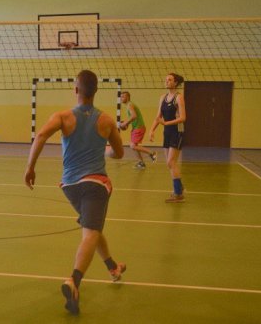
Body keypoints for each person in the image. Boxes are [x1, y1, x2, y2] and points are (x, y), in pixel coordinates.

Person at [24, 70, 125, 315]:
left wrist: (30, 167)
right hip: (95, 184)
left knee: (93, 227)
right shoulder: (107, 120)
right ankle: (73, 280)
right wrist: (105, 152)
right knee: (91, 231)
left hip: (69, 186)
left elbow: (40, 135)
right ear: (96, 91)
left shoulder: (63, 116)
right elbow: (119, 153)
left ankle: (113, 267)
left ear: (76, 90)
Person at [149, 73, 187, 203]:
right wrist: (152, 130)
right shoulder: (162, 98)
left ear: (175, 83)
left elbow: (183, 118)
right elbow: (158, 116)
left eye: (169, 80)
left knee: (171, 162)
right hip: (167, 132)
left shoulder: (179, 97)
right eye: (166, 80)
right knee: (169, 163)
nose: (167, 81)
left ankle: (178, 193)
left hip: (178, 131)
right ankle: (179, 188)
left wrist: (166, 123)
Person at [119, 91, 157, 169]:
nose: (121, 98)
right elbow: (133, 117)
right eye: (121, 96)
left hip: (138, 127)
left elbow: (134, 116)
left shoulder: (130, 105)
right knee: (134, 146)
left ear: (128, 97)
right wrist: (126, 122)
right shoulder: (129, 105)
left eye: (123, 96)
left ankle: (152, 153)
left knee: (132, 146)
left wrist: (126, 123)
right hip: (136, 127)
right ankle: (141, 163)